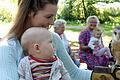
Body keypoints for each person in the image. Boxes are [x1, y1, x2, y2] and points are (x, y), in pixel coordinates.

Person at [0, 0, 119, 80]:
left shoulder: (53, 38)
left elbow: (74, 74)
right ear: (30, 13)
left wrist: (108, 76)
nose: (52, 22)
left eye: (54, 17)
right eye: (48, 16)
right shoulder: (7, 48)